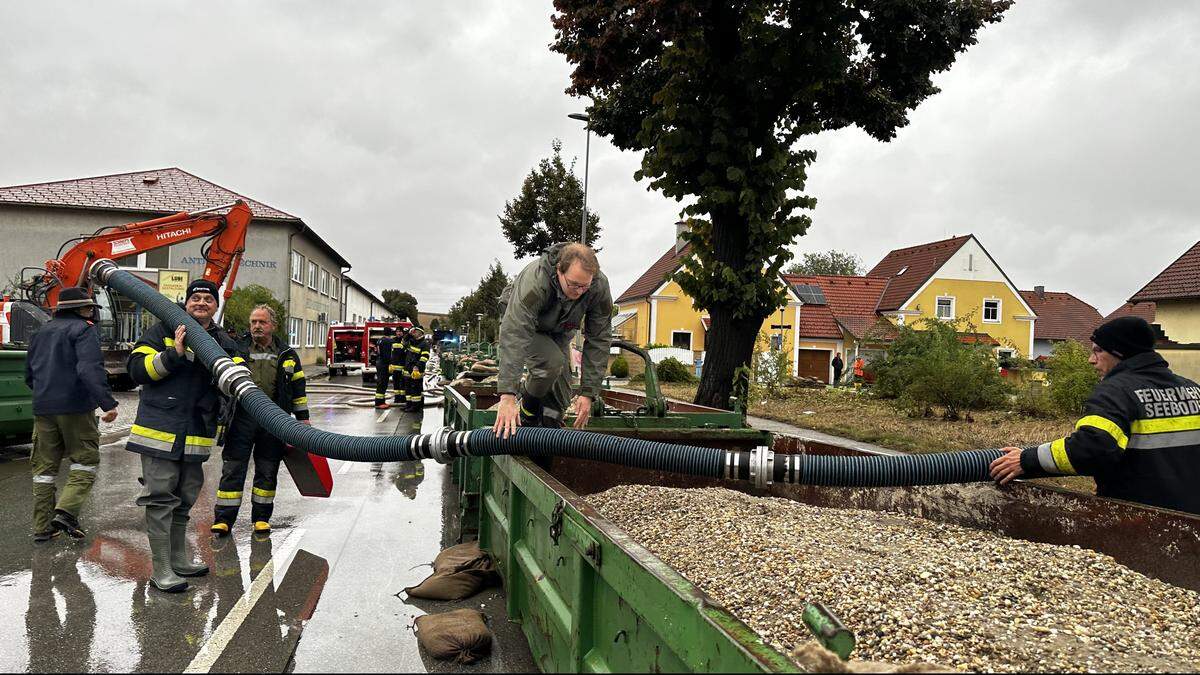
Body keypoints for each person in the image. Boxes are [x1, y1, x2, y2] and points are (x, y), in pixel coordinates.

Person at [990, 316, 1200, 514]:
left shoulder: (1116, 392)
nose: (1091, 360)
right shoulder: (1193, 390)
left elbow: (1091, 449)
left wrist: (1027, 459)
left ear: (1120, 352)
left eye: (1098, 351)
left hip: (1138, 519)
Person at [126, 279, 243, 592]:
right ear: (186, 302)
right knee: (161, 497)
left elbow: (237, 377)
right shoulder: (163, 330)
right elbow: (136, 369)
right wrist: (173, 354)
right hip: (158, 430)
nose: (201, 303)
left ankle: (178, 559)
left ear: (216, 307)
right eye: (196, 298)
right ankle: (161, 568)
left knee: (186, 497)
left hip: (195, 433)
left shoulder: (222, 341)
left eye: (208, 299)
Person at [24, 287, 119, 542]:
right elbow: (89, 369)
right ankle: (66, 512)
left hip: (43, 408)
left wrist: (46, 394)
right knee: (85, 461)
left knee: (43, 470)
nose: (92, 312)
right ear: (79, 309)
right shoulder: (84, 330)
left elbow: (29, 375)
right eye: (89, 308)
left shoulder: (40, 333)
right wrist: (107, 403)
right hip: (76, 408)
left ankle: (43, 528)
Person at [493, 242, 613, 438]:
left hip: (558, 331)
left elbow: (599, 338)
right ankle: (527, 412)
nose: (579, 292)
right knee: (550, 363)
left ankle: (548, 432)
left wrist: (588, 393)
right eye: (573, 284)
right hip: (524, 323)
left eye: (585, 286)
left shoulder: (598, 287)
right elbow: (516, 332)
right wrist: (507, 396)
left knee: (561, 397)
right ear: (559, 270)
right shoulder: (536, 281)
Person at [212, 304, 309, 537]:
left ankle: (261, 519)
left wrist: (303, 420)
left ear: (273, 325)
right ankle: (224, 519)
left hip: (274, 420)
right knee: (234, 468)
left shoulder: (286, 353)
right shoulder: (238, 348)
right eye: (253, 321)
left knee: (267, 469)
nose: (256, 326)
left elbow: (298, 388)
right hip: (241, 418)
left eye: (262, 322)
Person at [400, 326, 430, 412]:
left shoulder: (424, 344)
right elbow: (403, 343)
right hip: (408, 369)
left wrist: (417, 367)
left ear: (421, 333)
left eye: (415, 331)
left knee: (415, 389)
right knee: (408, 389)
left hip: (416, 370)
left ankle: (415, 406)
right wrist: (408, 334)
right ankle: (408, 405)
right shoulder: (411, 341)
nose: (414, 333)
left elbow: (424, 357)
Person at [373, 326, 398, 409]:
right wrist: (391, 363)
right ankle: (379, 402)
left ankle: (380, 401)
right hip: (384, 364)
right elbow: (389, 354)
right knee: (383, 383)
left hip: (379, 362)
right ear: (390, 333)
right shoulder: (389, 341)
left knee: (380, 382)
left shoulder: (380, 340)